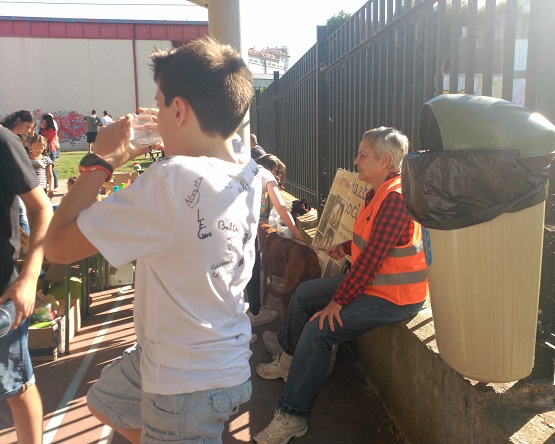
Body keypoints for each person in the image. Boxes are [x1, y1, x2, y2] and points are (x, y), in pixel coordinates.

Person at [45, 36, 257, 443]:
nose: (154, 116)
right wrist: (176, 133)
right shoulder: (245, 168)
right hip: (219, 361)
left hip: (183, 382)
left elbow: (57, 246)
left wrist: (100, 160)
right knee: (107, 399)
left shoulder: (169, 182)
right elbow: (208, 144)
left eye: (160, 104)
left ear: (179, 110)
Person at [253, 127, 430, 444]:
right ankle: (290, 361)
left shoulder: (395, 198)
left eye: (363, 155)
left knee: (321, 328)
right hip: (375, 284)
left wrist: (338, 302)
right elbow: (376, 243)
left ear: (385, 159)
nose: (356, 160)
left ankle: (292, 417)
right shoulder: (378, 191)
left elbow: (373, 259)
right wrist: (347, 247)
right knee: (306, 294)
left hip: (395, 297)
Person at [0, 119, 53, 444]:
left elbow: (41, 208)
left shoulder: (3, 142)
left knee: (16, 386)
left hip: (2, 298)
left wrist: (30, 277)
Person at [246, 154, 304, 327]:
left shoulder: (247, 168)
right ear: (274, 170)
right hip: (244, 230)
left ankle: (245, 312)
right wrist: (297, 233)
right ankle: (254, 313)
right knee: (253, 267)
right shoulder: (266, 175)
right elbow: (281, 207)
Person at [27, 134, 55, 199]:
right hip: (29, 189)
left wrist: (51, 189)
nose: (38, 150)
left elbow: (50, 176)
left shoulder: (46, 160)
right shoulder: (25, 158)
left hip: (42, 188)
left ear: (44, 147)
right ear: (30, 146)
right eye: (35, 147)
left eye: (41, 148)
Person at [39, 114, 59, 190]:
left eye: (43, 119)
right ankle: (48, 183)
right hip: (44, 150)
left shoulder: (51, 130)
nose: (42, 121)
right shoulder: (43, 129)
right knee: (45, 168)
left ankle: (55, 184)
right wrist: (41, 129)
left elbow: (45, 139)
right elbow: (38, 138)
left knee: (52, 168)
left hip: (50, 150)